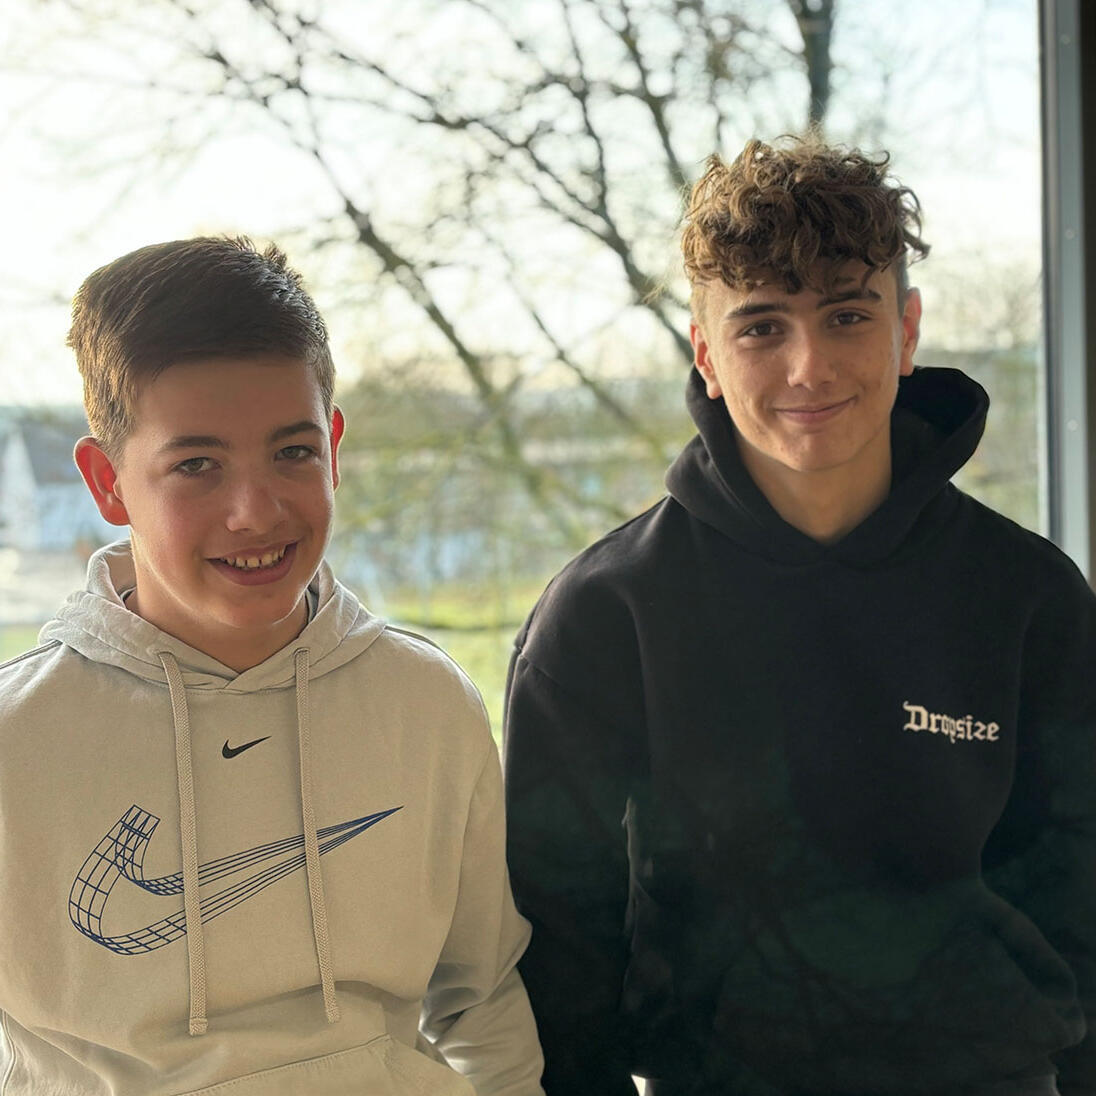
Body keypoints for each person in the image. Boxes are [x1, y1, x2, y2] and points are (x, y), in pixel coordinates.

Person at [503, 136, 1096, 1096]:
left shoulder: (1029, 597)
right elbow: (556, 936)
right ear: (705, 352)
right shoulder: (607, 614)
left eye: (847, 314)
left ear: (905, 333)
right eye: (762, 327)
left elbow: (1081, 893)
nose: (809, 366)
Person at [0, 237, 545, 1095]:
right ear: (108, 482)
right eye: (197, 466)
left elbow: (479, 999)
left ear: (332, 447)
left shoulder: (427, 701)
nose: (255, 512)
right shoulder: (16, 741)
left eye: (292, 453)